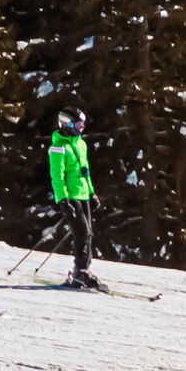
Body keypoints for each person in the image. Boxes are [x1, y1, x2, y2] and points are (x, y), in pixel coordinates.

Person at [47, 110, 102, 290]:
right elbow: (57, 177)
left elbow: (85, 171)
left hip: (83, 194)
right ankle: (80, 272)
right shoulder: (58, 147)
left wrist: (92, 193)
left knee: (89, 234)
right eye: (78, 125)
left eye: (83, 125)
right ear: (67, 124)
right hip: (71, 197)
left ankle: (84, 270)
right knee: (82, 233)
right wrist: (62, 199)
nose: (82, 128)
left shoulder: (81, 144)